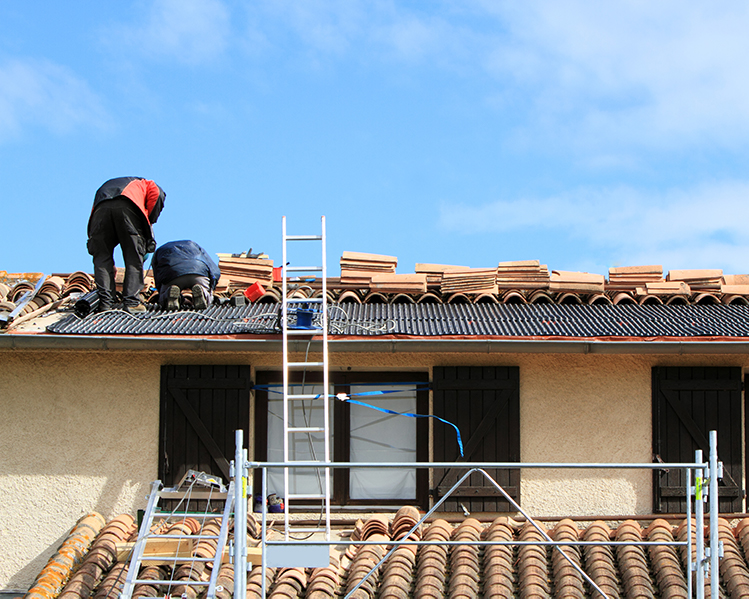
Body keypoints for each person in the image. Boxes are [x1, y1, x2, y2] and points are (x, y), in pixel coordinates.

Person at [87, 177, 166, 313]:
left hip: (100, 211)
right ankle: (131, 302)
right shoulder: (146, 183)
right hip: (128, 207)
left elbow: (95, 216)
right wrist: (150, 220)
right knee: (134, 258)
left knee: (101, 258)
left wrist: (100, 251)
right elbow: (157, 194)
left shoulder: (107, 186)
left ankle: (106, 304)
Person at [150, 240, 220, 310]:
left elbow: (157, 276)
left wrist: (161, 291)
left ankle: (169, 295)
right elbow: (215, 271)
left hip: (172, 274)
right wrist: (212, 287)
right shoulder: (196, 246)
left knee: (164, 296)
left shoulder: (159, 251)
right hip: (198, 271)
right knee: (207, 295)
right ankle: (203, 293)